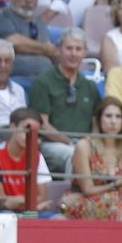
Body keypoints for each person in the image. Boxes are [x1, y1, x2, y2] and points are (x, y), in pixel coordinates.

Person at [64, 94, 122, 218]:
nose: (113, 121)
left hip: (119, 200)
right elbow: (87, 189)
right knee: (116, 208)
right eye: (108, 116)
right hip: (87, 200)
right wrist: (115, 184)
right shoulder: (84, 146)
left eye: (118, 117)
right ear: (99, 119)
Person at [30, 28, 99, 171]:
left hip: (85, 144)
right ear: (59, 49)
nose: (74, 54)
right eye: (69, 48)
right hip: (52, 145)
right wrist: (71, 142)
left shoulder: (89, 86)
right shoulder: (44, 81)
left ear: (85, 53)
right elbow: (42, 125)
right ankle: (71, 193)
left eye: (78, 49)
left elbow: (97, 123)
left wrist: (90, 143)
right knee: (74, 154)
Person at [0, 105, 57, 210]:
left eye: (36, 132)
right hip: (6, 213)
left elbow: (42, 197)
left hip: (33, 211)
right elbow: (1, 201)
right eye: (26, 129)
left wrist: (20, 200)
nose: (30, 135)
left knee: (59, 219)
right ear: (12, 127)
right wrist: (28, 203)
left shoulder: (37, 156)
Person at [0, 0, 57, 82]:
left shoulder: (40, 23)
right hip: (15, 79)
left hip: (46, 80)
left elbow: (53, 54)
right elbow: (15, 44)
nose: (28, 0)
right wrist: (45, 49)